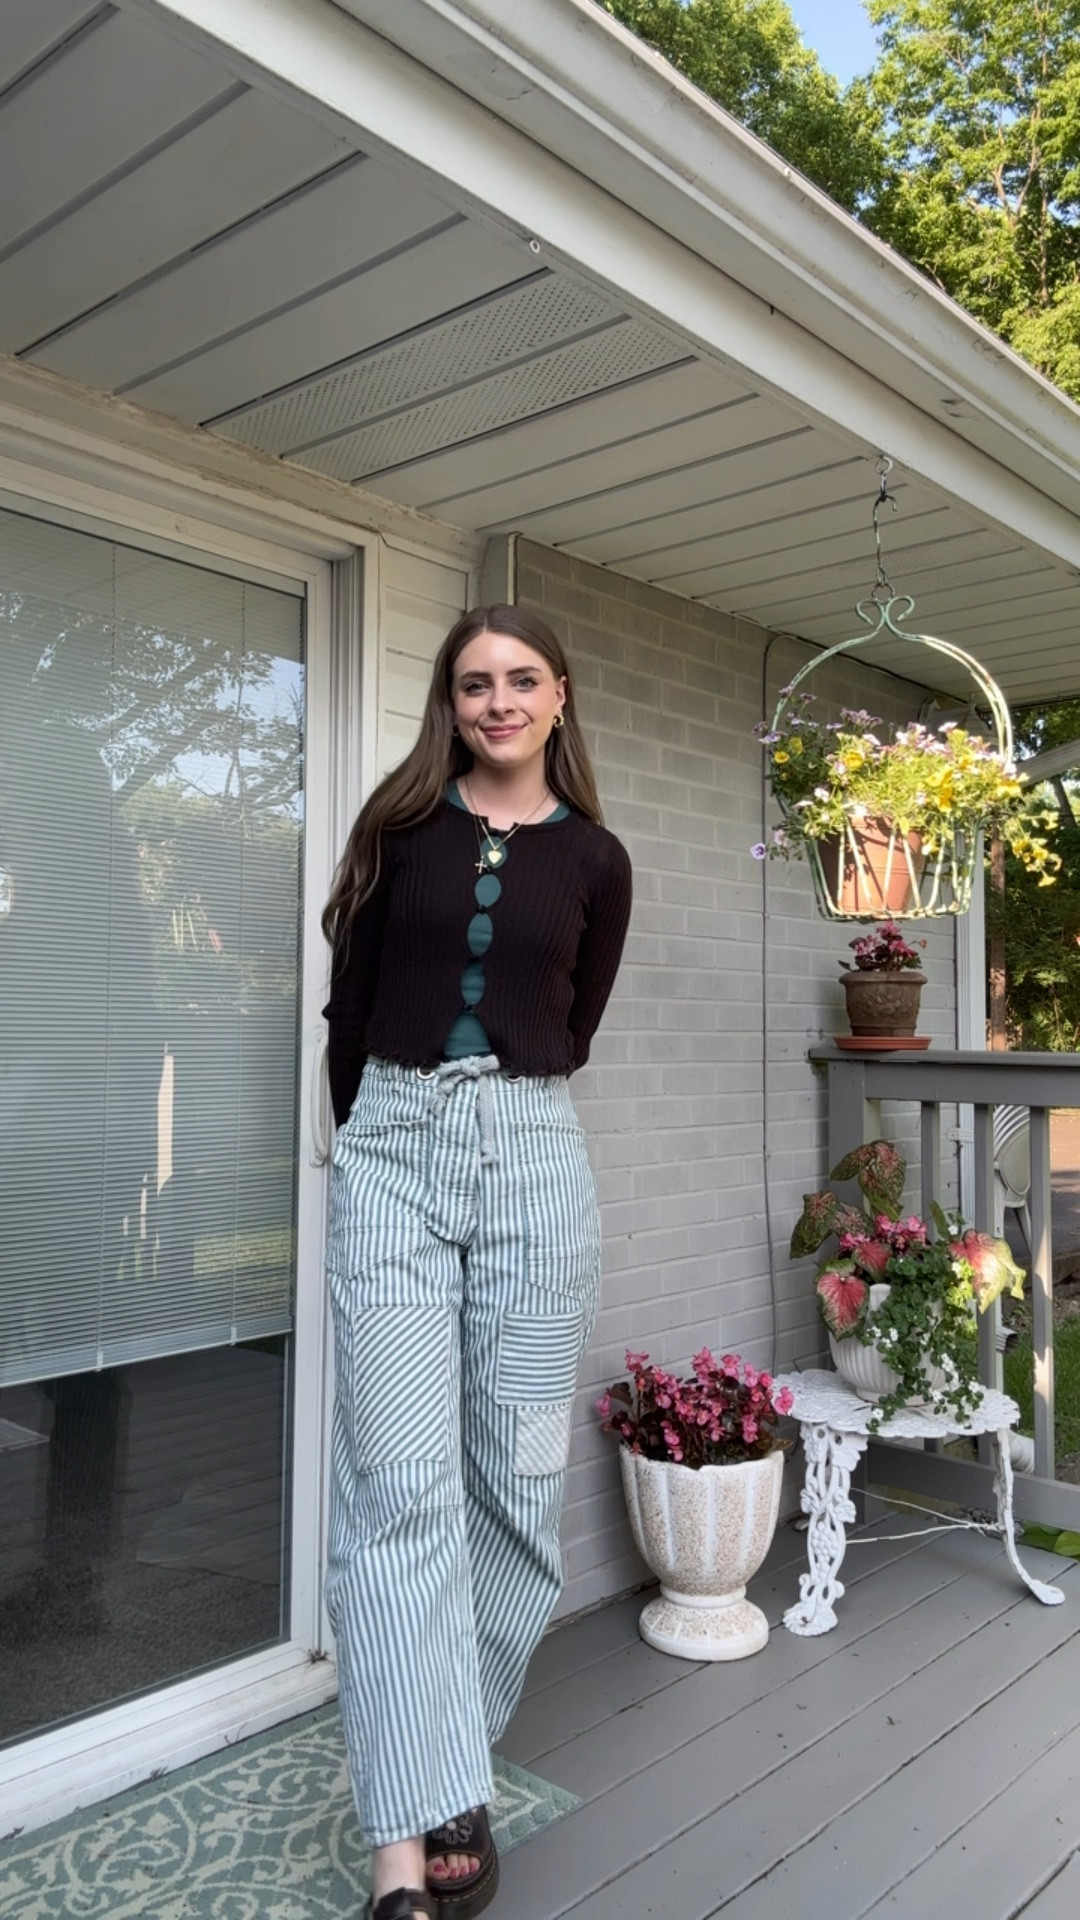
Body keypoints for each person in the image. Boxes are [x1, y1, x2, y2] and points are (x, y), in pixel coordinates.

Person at [322, 605, 632, 1920]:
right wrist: (371, 1145)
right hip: (392, 1158)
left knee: (513, 1481)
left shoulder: (600, 861)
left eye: (519, 680)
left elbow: (577, 1016)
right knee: (398, 1488)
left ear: (560, 695)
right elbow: (349, 1011)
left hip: (535, 1164)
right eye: (471, 685)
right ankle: (412, 1836)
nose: (496, 701)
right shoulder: (400, 834)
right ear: (448, 707)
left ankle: (451, 1757)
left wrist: (499, 1113)